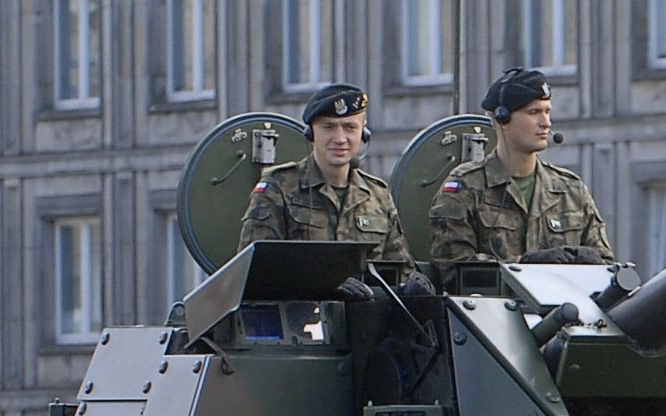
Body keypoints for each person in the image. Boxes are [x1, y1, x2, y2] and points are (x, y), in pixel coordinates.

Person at [428, 68, 613, 274]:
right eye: (533, 112)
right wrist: (522, 264)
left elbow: (604, 267)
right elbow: (454, 269)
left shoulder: (571, 191)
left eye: (547, 111)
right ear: (502, 118)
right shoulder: (464, 189)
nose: (546, 123)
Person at [242, 82, 407, 260]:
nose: (340, 139)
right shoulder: (278, 188)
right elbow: (255, 269)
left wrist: (413, 284)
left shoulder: (378, 196)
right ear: (311, 134)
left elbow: (400, 268)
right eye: (328, 127)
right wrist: (328, 280)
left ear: (363, 133)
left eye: (350, 128)